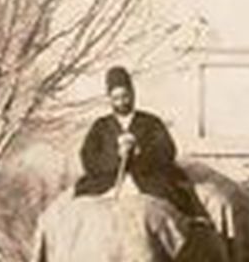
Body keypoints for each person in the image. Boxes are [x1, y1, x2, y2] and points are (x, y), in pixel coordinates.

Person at [74, 66, 207, 219]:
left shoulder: (151, 122)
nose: (121, 102)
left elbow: (167, 151)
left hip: (147, 181)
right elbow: (88, 158)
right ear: (109, 99)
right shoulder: (100, 126)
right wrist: (115, 156)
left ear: (132, 94)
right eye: (116, 98)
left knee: (175, 201)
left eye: (125, 96)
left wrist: (140, 151)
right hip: (107, 182)